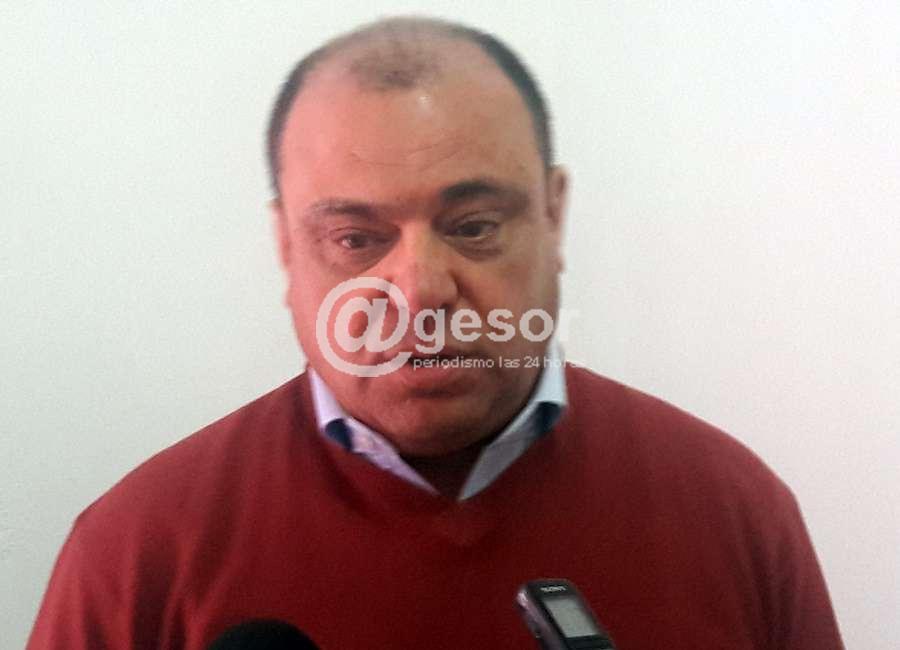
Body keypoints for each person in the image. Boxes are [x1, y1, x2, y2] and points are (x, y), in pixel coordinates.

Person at [28, 16, 843, 649]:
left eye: (475, 225)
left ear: (554, 218)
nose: (421, 291)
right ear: (285, 247)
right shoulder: (137, 550)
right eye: (356, 239)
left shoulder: (734, 510)